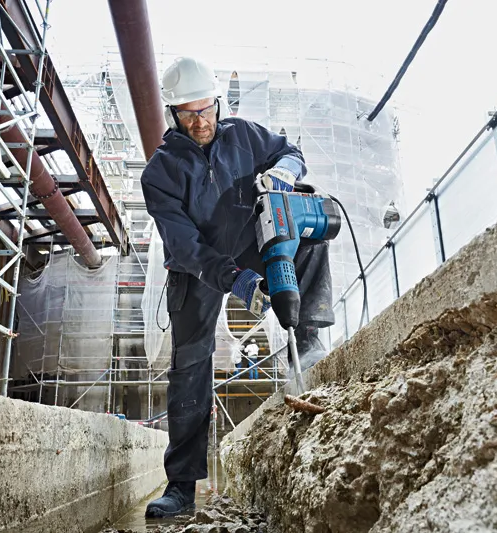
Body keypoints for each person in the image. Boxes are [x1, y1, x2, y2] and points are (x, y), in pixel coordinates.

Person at [142, 57, 333, 518]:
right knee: (189, 365)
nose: (200, 121)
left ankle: (306, 345)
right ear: (173, 115)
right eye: (188, 114)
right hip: (196, 268)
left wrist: (285, 170)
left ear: (217, 103)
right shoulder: (160, 173)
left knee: (307, 238)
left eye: (205, 109)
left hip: (247, 242)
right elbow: (185, 246)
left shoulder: (245, 134)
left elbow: (291, 151)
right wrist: (235, 280)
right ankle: (181, 487)